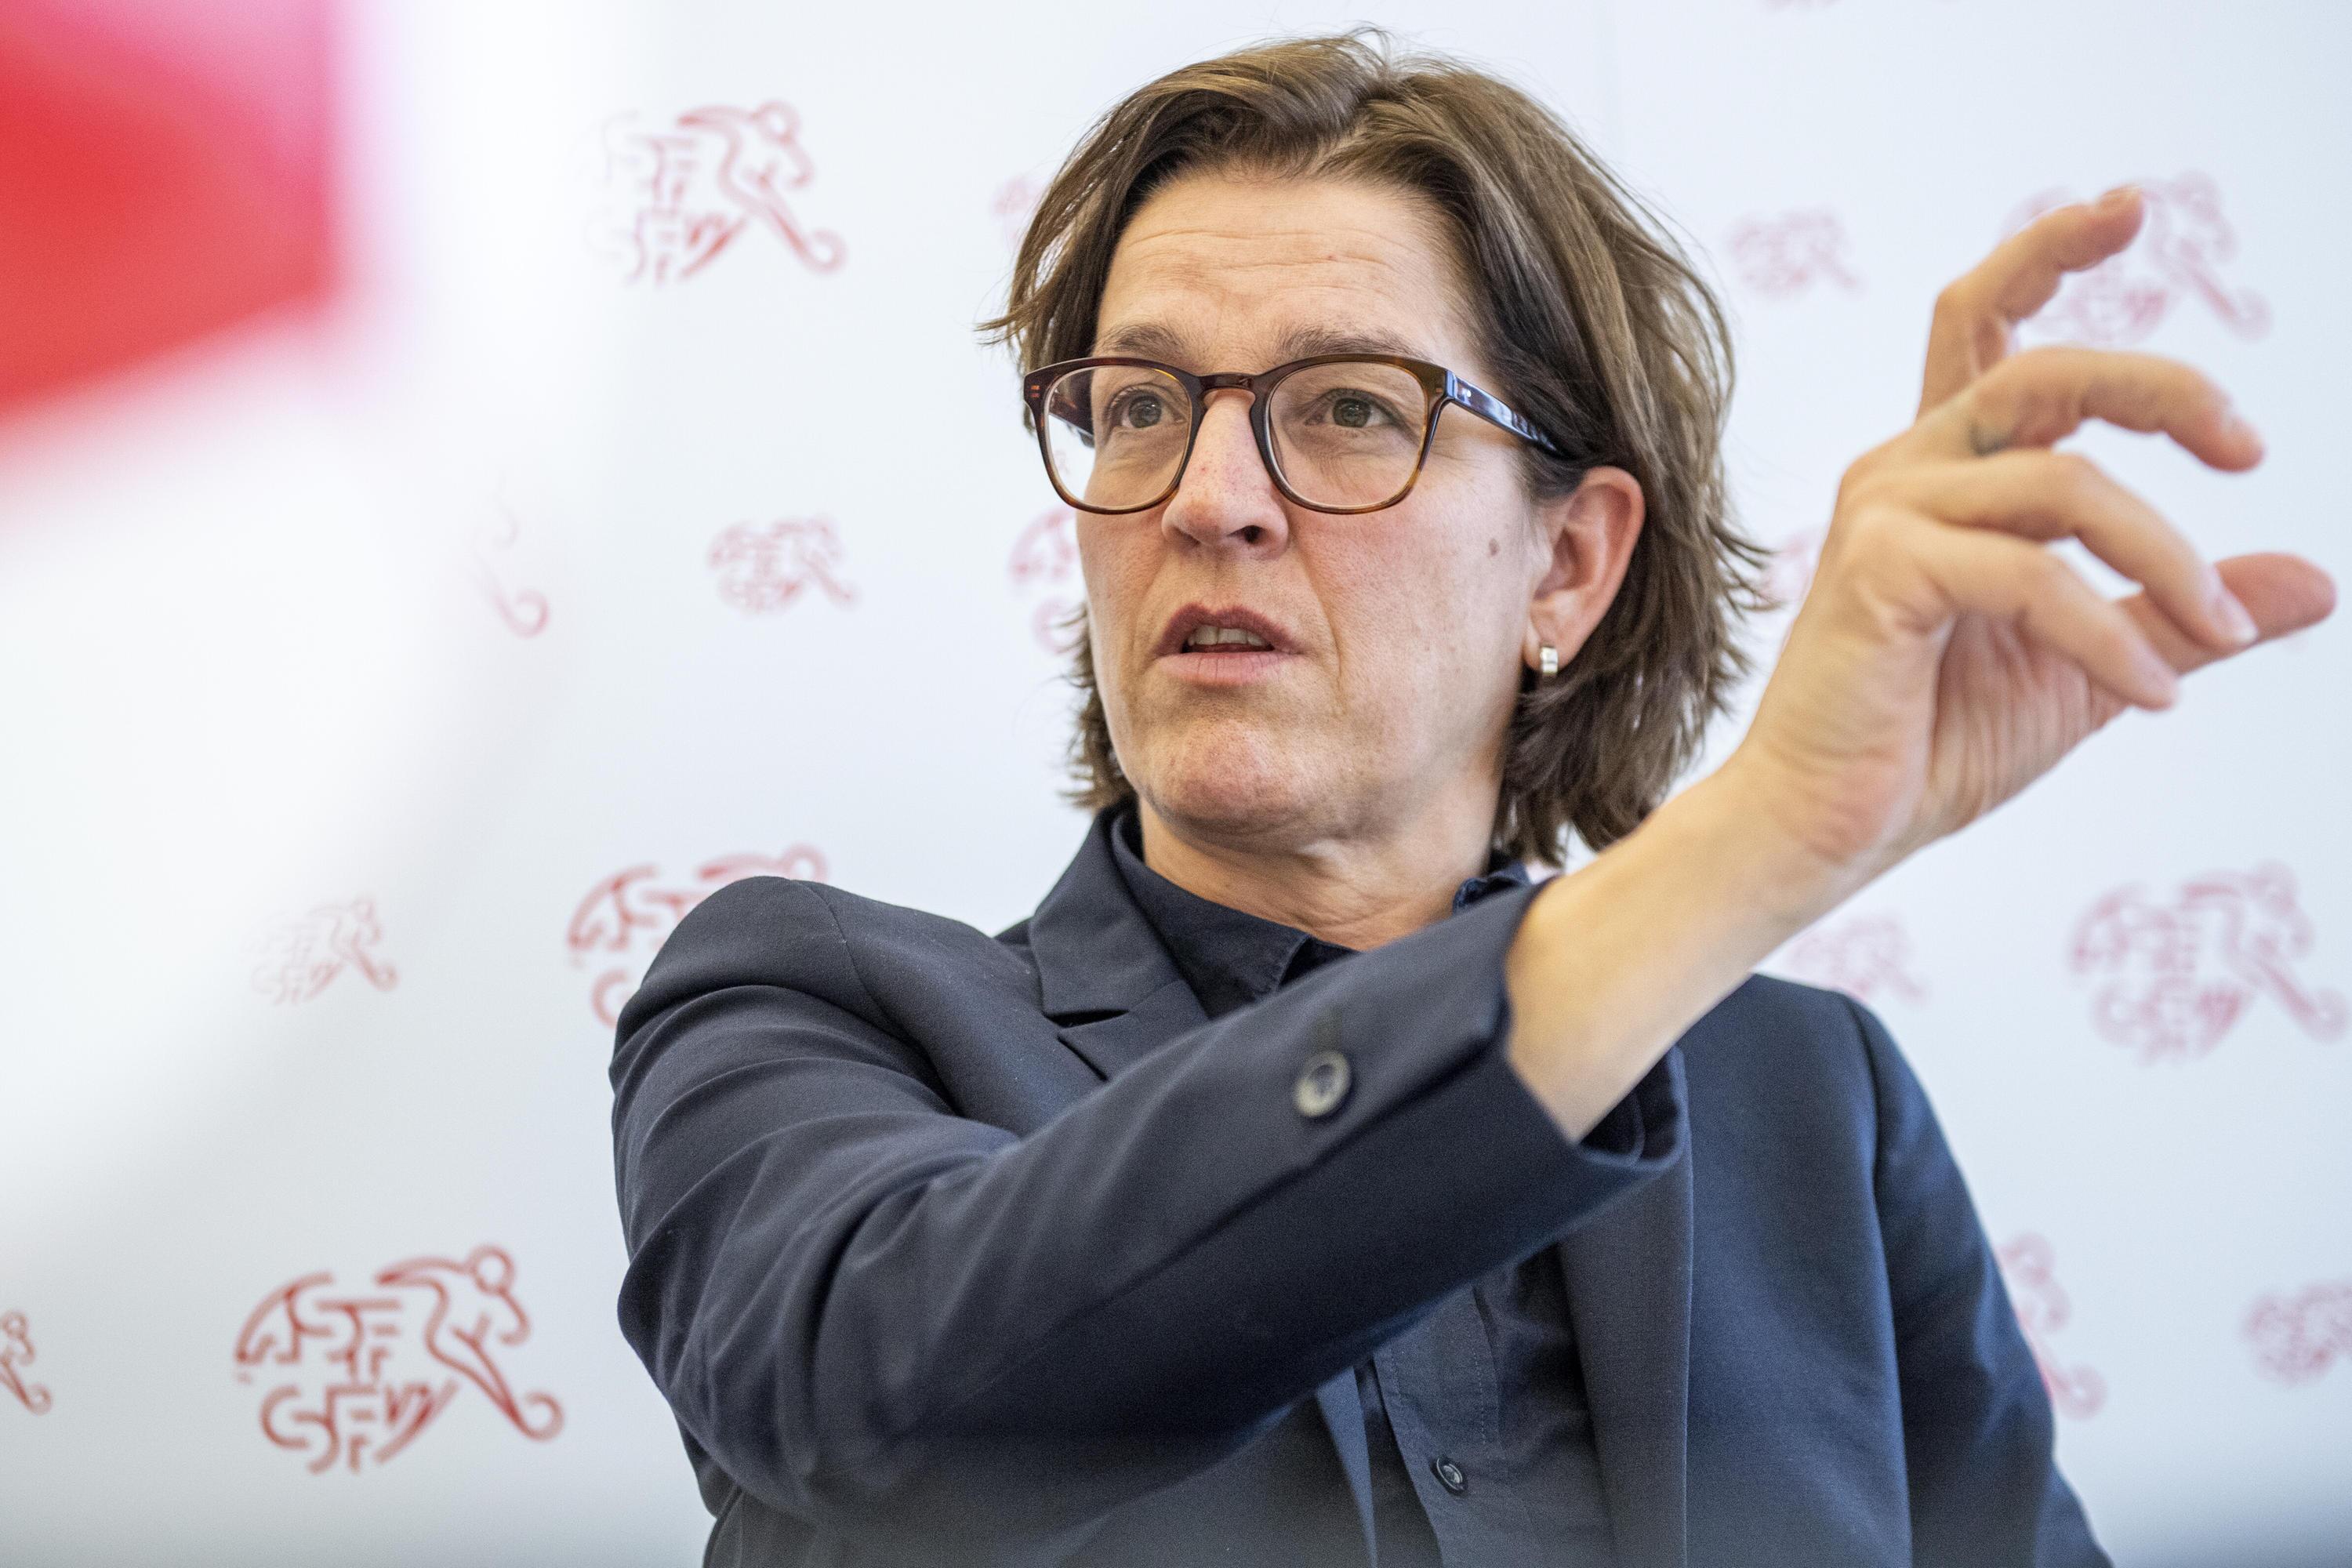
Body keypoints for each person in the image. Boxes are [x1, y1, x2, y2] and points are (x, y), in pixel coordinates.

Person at [607, 31, 2334, 1568]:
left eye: (1351, 408)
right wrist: (1762, 832)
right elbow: (893, 1415)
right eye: (1138, 406)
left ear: (1567, 563)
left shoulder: (1818, 1106)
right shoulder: (809, 1010)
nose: (1208, 496)